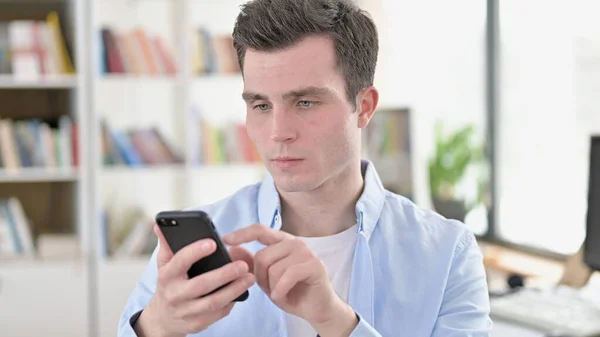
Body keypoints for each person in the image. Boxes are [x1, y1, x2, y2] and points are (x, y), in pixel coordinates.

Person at [118, 0, 493, 336]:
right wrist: (158, 327)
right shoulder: (195, 248)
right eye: (261, 105)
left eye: (306, 103)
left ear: (363, 106)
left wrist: (335, 322)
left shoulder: (448, 255)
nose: (279, 133)